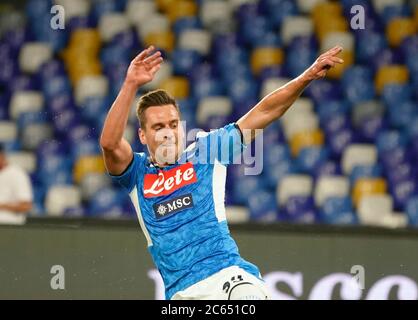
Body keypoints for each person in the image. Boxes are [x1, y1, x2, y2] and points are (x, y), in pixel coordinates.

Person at [100, 45, 343, 300]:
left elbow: (264, 112)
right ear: (142, 134)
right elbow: (110, 144)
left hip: (227, 279)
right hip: (180, 294)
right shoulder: (136, 174)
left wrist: (305, 77)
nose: (168, 132)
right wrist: (130, 84)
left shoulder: (207, 151)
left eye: (173, 124)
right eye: (158, 126)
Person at [0, 144, 33, 225]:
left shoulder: (17, 174)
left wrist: (2, 206)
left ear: (2, 155)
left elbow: (26, 206)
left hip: (10, 225)